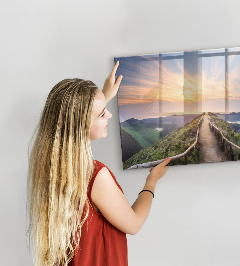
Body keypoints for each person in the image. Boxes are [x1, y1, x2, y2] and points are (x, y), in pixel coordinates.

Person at [27, 62, 171, 266]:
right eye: (102, 113)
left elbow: (76, 118)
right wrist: (151, 182)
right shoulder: (95, 176)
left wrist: (104, 96)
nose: (110, 115)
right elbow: (134, 224)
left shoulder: (50, 165)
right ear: (81, 124)